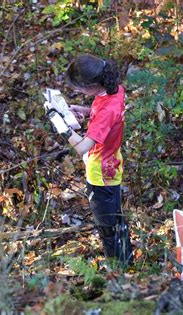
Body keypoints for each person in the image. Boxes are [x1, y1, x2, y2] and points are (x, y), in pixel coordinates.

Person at [50, 54, 133, 265]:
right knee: (116, 218)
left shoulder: (106, 110)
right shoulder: (115, 90)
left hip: (100, 174)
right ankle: (127, 260)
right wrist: (85, 112)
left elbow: (83, 147)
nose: (77, 92)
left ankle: (118, 269)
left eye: (79, 89)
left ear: (92, 86)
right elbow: (107, 116)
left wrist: (64, 128)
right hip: (112, 163)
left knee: (107, 226)